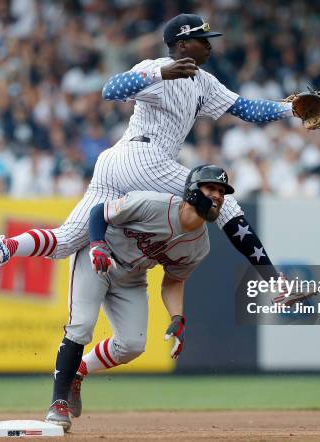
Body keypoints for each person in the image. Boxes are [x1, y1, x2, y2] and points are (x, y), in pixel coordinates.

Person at [0, 14, 317, 305]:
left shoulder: (205, 82)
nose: (210, 44)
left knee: (66, 241)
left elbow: (245, 109)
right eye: (202, 39)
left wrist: (290, 110)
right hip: (142, 157)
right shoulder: (157, 67)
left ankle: (2, 247)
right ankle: (278, 283)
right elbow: (110, 90)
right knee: (223, 203)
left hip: (118, 163)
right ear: (182, 45)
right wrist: (158, 74)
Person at [43, 165, 233, 431]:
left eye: (222, 192)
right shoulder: (154, 203)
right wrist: (97, 244)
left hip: (132, 278)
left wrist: (177, 317)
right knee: (82, 326)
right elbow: (100, 212)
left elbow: (174, 281)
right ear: (192, 191)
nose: (218, 196)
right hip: (100, 258)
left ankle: (79, 370)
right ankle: (57, 403)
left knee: (132, 345)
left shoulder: (200, 245)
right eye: (211, 188)